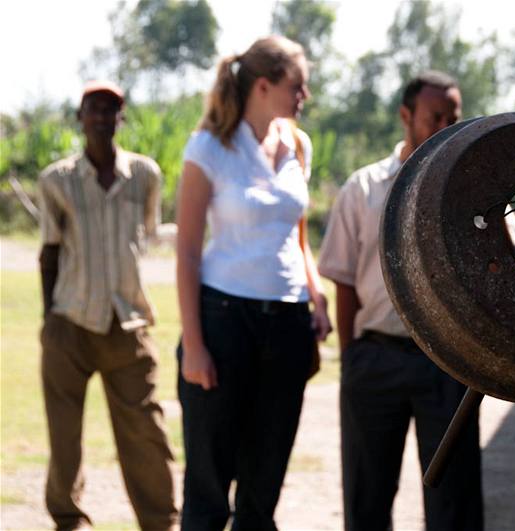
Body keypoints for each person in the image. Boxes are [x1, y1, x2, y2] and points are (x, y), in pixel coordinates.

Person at [175, 36, 331, 530]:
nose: (304, 95)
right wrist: (194, 346)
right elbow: (186, 251)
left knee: (262, 494)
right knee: (208, 494)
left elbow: (296, 235)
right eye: (296, 86)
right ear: (263, 86)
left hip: (287, 325)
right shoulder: (208, 147)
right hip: (223, 324)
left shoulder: (297, 146)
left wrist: (316, 294)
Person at [318, 71, 484, 531]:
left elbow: (497, 265)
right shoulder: (363, 189)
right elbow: (345, 281)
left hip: (449, 366)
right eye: (435, 117)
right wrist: (353, 355)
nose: (447, 125)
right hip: (375, 359)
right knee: (367, 496)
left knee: (455, 502)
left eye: (454, 116)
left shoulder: (473, 191)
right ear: (406, 116)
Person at [38, 80, 178, 530]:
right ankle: (67, 517)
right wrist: (48, 323)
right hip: (70, 322)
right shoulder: (56, 180)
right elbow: (50, 253)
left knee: (145, 432)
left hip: (128, 322)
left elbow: (149, 234)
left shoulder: (144, 175)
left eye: (111, 109)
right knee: (64, 437)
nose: (101, 117)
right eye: (93, 109)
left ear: (121, 118)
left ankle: (160, 521)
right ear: (80, 117)